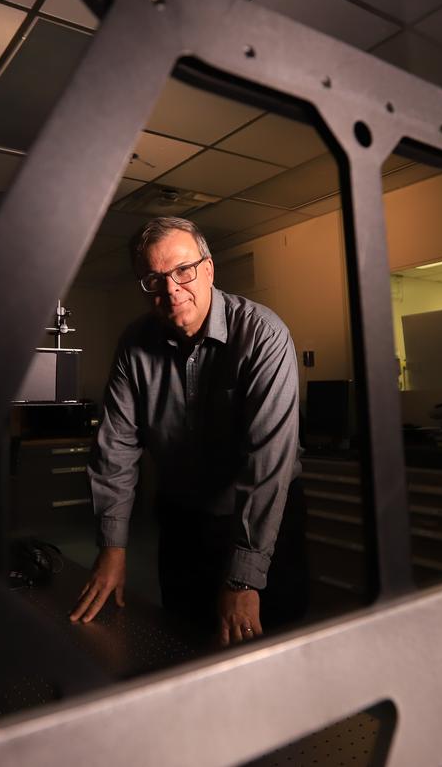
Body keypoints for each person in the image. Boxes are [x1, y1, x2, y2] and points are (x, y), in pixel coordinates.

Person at [68, 217, 308, 645]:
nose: (171, 289)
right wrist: (112, 547)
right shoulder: (134, 344)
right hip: (183, 524)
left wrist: (243, 580)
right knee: (183, 641)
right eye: (154, 278)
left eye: (183, 270)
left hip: (261, 519)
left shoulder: (263, 336)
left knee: (269, 654)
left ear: (209, 269)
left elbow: (267, 465)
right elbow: (116, 449)